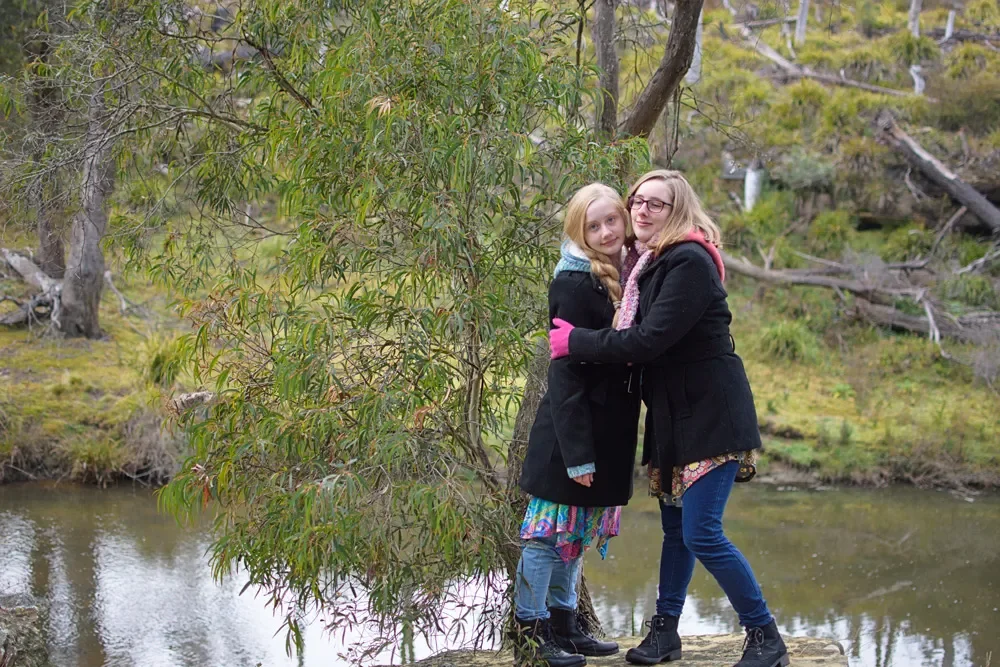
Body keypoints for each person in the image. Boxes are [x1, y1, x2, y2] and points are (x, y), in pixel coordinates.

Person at [548, 170, 788, 667]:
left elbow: (649, 339)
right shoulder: (648, 264)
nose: (642, 210)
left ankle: (765, 636)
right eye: (637, 200)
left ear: (678, 209)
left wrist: (577, 341)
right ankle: (665, 634)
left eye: (656, 204)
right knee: (677, 532)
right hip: (673, 417)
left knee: (702, 532)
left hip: (710, 414)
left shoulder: (689, 260)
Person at [514, 183, 642, 667]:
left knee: (576, 535)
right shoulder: (571, 282)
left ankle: (566, 628)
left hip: (607, 431)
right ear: (579, 232)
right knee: (547, 537)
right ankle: (530, 633)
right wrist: (579, 453)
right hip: (570, 437)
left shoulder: (627, 272)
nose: (607, 231)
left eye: (612, 220)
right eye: (594, 225)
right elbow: (564, 373)